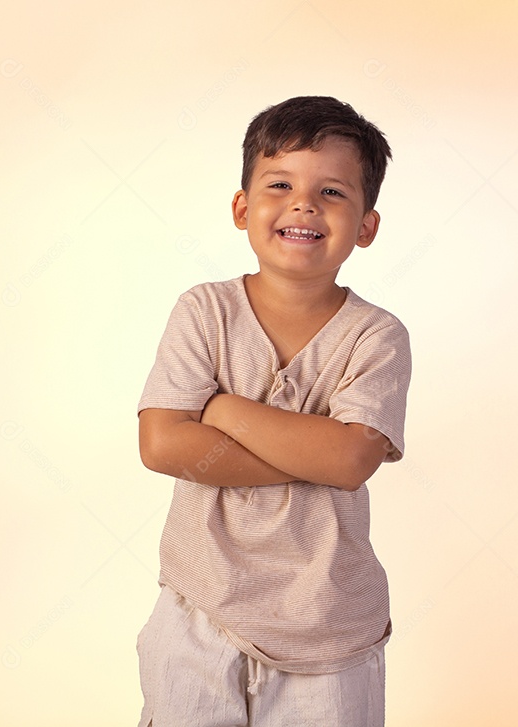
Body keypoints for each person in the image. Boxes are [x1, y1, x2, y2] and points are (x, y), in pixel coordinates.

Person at [135, 95, 411, 726]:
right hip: (200, 608)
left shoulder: (376, 337)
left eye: (333, 192)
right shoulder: (204, 312)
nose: (304, 204)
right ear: (242, 207)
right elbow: (163, 445)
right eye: (280, 183)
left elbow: (348, 460)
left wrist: (224, 410)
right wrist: (310, 452)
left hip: (328, 626)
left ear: (366, 225)